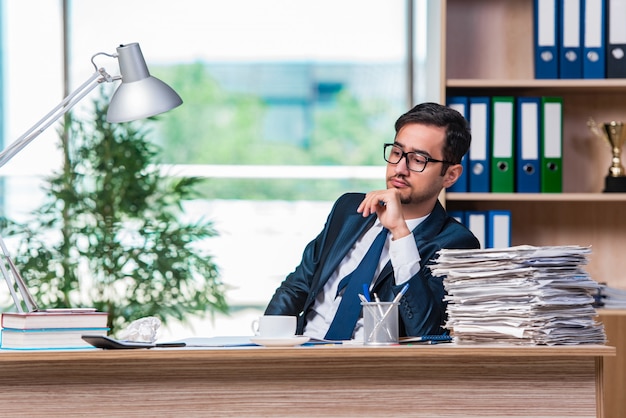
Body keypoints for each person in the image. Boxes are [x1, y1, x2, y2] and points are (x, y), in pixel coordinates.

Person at [264, 102, 480, 340]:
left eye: (418, 159)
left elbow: (426, 331)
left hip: (369, 367)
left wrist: (400, 232)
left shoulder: (456, 243)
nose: (399, 168)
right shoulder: (349, 210)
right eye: (397, 153)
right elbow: (297, 287)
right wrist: (268, 346)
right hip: (303, 353)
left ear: (450, 175)